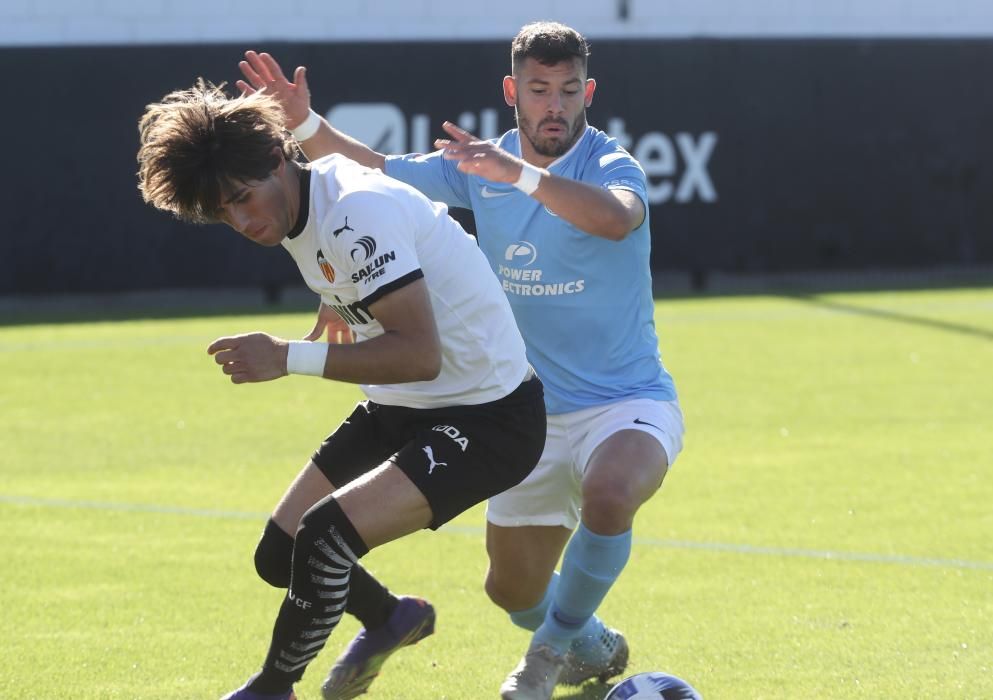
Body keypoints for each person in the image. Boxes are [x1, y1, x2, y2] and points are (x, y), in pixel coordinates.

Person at [237, 19, 685, 700]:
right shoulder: (479, 163)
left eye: (568, 90)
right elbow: (374, 173)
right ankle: (586, 640)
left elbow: (616, 218)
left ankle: (549, 654)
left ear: (587, 91)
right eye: (539, 89)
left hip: (623, 401)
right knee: (510, 590)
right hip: (521, 407)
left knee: (610, 492)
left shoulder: (606, 163)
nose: (554, 105)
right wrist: (304, 126)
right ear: (513, 91)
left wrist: (520, 176)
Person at [136, 79, 546, 700]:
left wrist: (286, 357)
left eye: (245, 199)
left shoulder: (353, 208)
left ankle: (272, 690)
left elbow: (419, 353)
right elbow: (360, 278)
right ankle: (392, 618)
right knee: (279, 554)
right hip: (405, 405)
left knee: (324, 536)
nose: (243, 221)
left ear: (279, 160)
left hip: (491, 419)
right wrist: (340, 305)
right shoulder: (305, 202)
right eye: (224, 212)